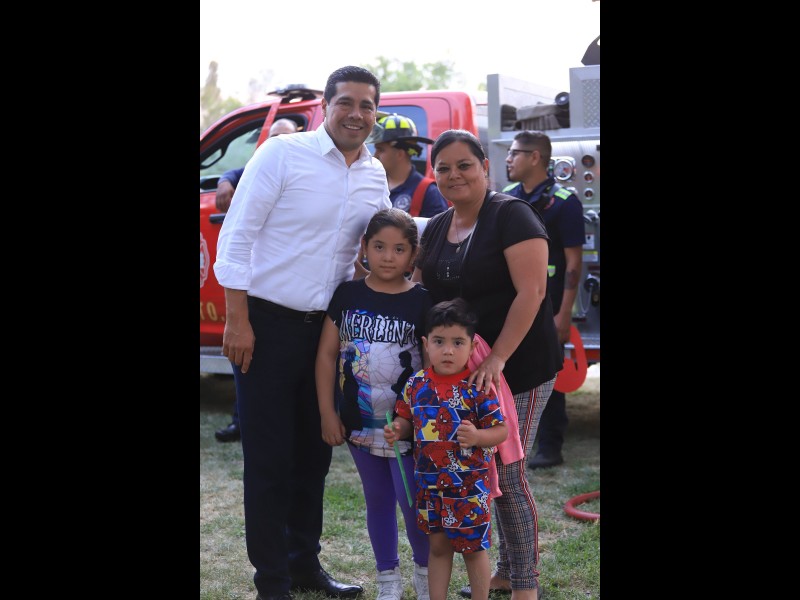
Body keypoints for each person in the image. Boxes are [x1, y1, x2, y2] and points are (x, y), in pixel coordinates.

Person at [213, 65, 390, 600]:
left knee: (315, 455)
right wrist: (238, 320)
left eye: (366, 106)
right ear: (326, 107)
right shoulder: (281, 155)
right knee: (269, 460)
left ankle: (302, 565)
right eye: (346, 103)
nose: (356, 114)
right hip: (265, 327)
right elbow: (236, 237)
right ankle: (272, 583)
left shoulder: (374, 174)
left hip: (327, 337)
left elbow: (380, 245)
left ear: (376, 114)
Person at [411, 130, 562, 600]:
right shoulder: (437, 226)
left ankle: (524, 584)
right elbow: (421, 291)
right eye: (443, 168)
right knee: (482, 468)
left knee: (508, 472)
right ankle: (505, 571)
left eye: (464, 165)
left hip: (519, 364)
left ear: (485, 167)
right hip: (463, 374)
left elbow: (532, 292)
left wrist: (497, 358)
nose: (453, 175)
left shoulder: (512, 215)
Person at [316, 208, 433, 600]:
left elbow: (430, 370)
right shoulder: (347, 295)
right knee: (378, 500)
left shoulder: (422, 302)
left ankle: (425, 572)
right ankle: (388, 579)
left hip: (407, 430)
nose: (387, 256)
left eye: (399, 249)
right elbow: (326, 356)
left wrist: (416, 422)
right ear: (364, 247)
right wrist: (328, 412)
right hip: (359, 425)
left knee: (412, 501)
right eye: (379, 246)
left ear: (413, 254)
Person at [384, 298, 508, 600]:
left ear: (472, 346)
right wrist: (397, 429)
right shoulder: (416, 384)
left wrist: (478, 436)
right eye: (439, 341)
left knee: (473, 549)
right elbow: (406, 418)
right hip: (429, 486)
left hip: (469, 488)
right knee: (438, 548)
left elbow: (501, 430)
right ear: (426, 344)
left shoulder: (478, 388)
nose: (448, 350)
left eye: (457, 342)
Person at [213, 117, 300, 443]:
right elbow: (233, 174)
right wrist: (224, 181)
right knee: (247, 358)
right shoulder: (260, 165)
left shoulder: (302, 171)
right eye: (272, 137)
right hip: (252, 288)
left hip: (291, 294)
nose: (277, 143)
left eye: (284, 137)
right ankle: (241, 421)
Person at [502, 131, 585, 470]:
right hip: (514, 302)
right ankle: (510, 442)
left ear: (535, 157)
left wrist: (564, 315)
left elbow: (574, 263)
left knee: (549, 372)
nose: (508, 159)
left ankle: (550, 446)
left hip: (549, 305)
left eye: (515, 153)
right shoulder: (508, 197)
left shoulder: (565, 202)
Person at [367, 113, 449, 218]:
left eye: (381, 150)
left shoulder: (429, 193)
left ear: (400, 154)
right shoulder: (373, 187)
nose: (375, 155)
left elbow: (440, 228)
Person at [214, 118, 299, 213]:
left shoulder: (304, 166)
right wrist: (224, 182)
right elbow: (237, 174)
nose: (279, 142)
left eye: (285, 137)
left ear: (297, 140)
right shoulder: (265, 164)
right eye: (274, 138)